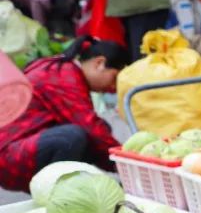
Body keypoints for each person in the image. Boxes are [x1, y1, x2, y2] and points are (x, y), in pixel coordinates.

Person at [0, 37, 126, 192]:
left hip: (19, 151)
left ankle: (75, 192)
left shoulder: (62, 69)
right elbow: (90, 126)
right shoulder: (63, 74)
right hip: (10, 157)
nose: (113, 87)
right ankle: (57, 194)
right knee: (72, 137)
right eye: (114, 78)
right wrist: (125, 163)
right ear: (99, 63)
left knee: (90, 136)